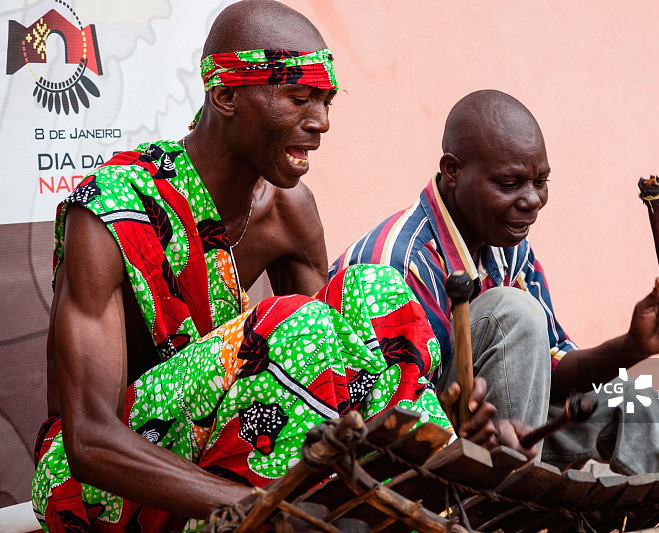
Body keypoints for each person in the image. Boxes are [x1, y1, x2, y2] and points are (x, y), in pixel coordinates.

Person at [31, 6, 524, 532]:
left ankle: (437, 464)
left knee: (372, 290)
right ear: (225, 96)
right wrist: (255, 508)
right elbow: (87, 439)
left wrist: (440, 420)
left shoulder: (290, 210)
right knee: (296, 322)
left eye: (327, 100)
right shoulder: (110, 209)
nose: (321, 121)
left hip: (222, 446)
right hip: (90, 483)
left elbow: (346, 374)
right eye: (299, 97)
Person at [330, 89, 659, 475]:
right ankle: (504, 501)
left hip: (497, 433)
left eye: (540, 181)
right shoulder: (397, 264)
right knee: (511, 312)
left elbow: (550, 371)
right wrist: (465, 426)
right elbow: (389, 417)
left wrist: (633, 345)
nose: (532, 200)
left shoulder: (507, 244)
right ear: (452, 171)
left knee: (624, 399)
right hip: (408, 460)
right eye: (510, 183)